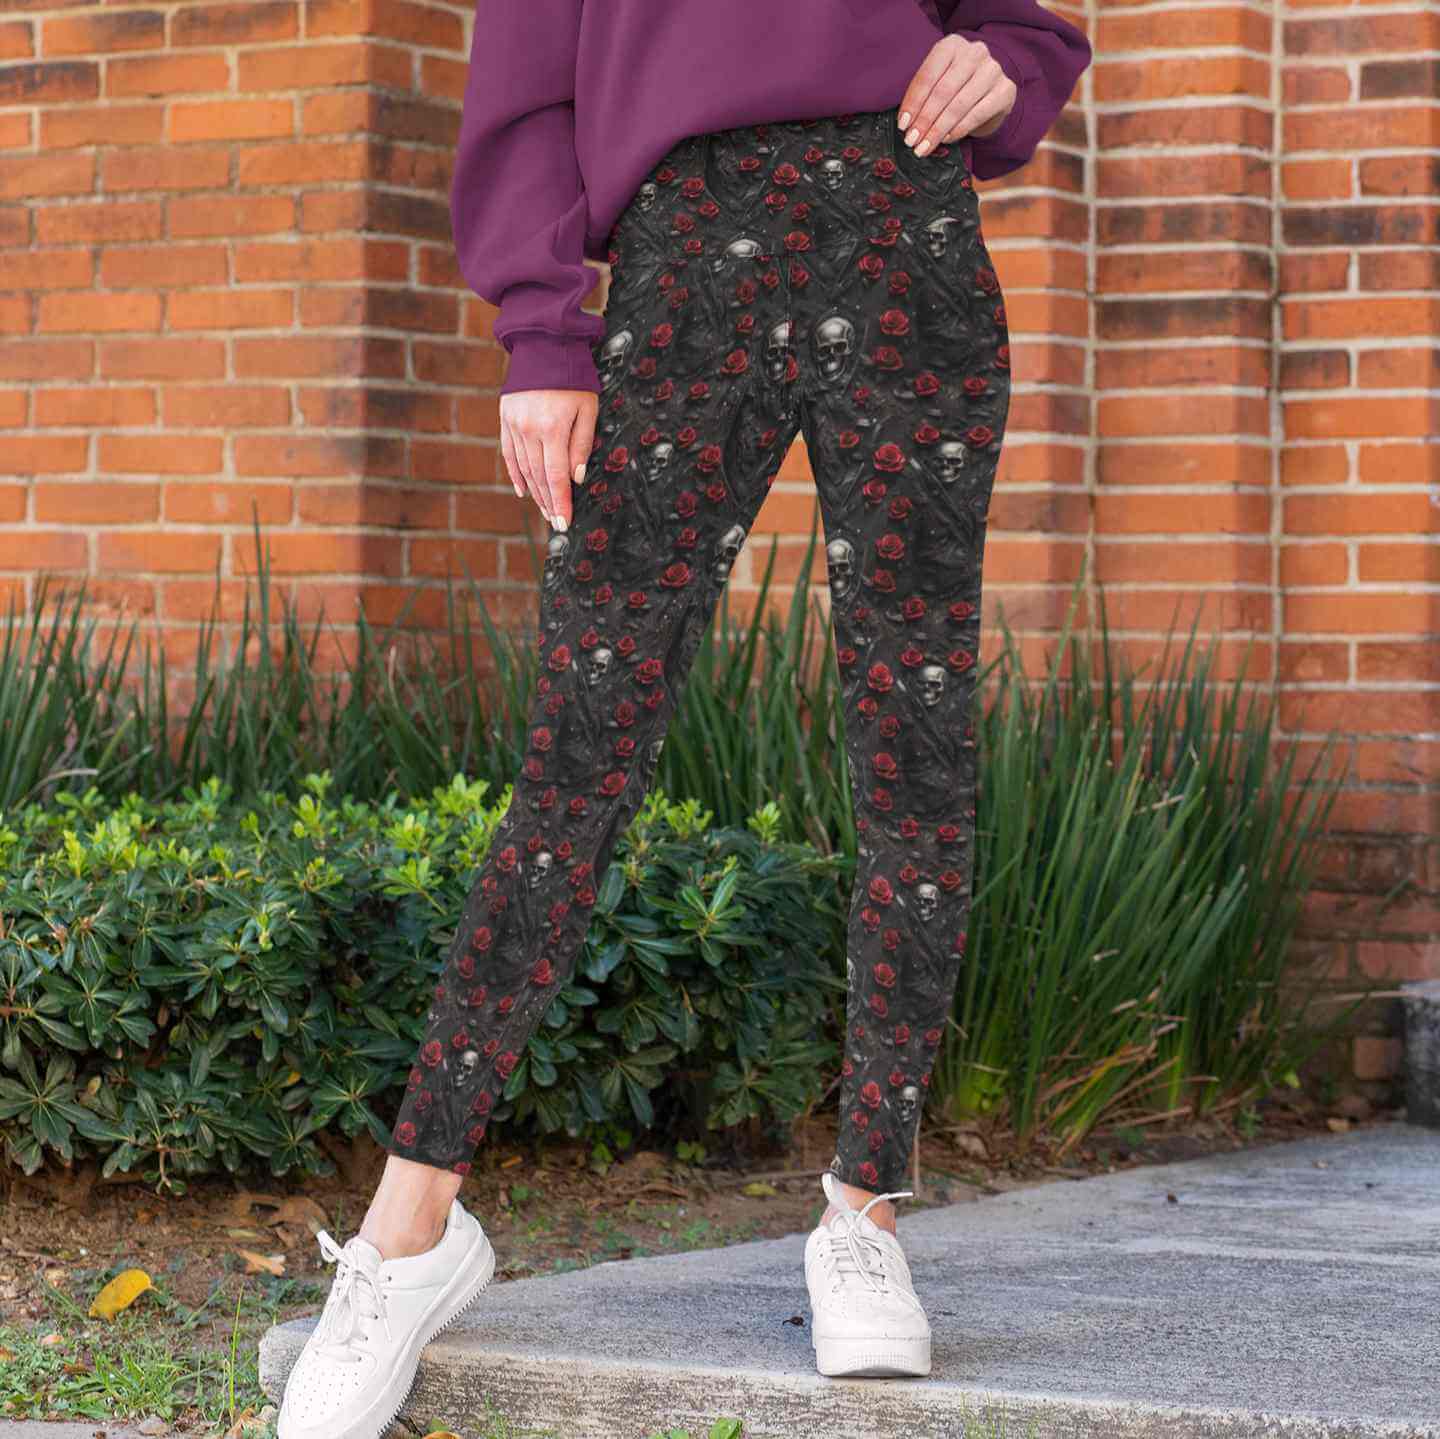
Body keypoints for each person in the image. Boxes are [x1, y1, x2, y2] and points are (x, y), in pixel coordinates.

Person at [276, 2, 1091, 1435]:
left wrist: (1013, 68)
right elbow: (526, 94)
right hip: (682, 251)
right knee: (578, 749)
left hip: (904, 226)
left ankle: (864, 1209)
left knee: (917, 735)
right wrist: (542, 331)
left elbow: (1022, 27)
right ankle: (411, 1234)